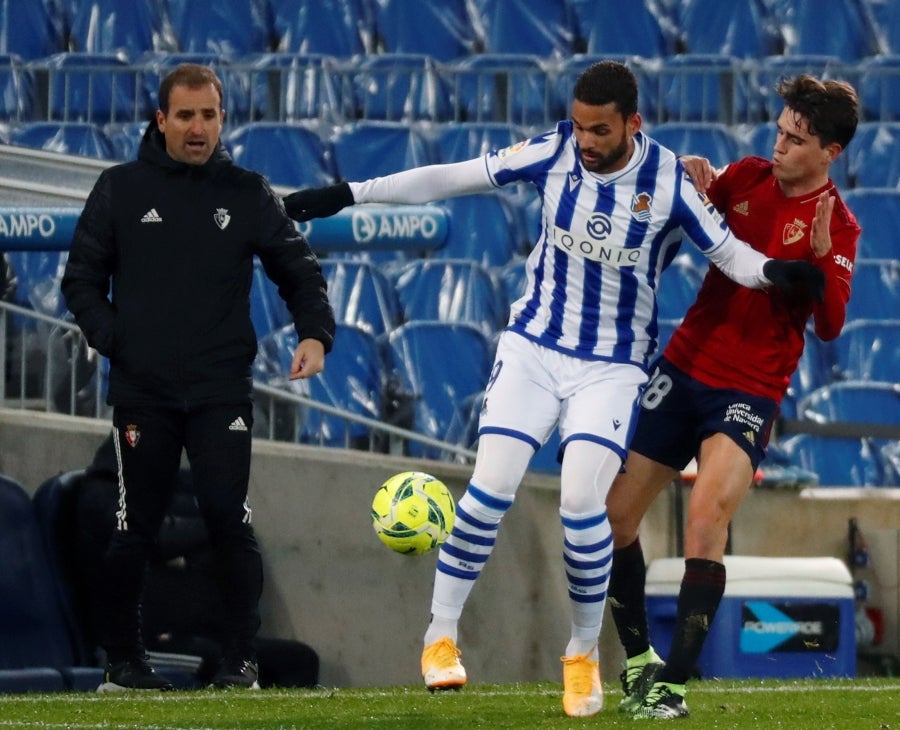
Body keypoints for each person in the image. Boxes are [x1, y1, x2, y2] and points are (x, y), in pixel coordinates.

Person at [282, 60, 823, 718]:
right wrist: (350, 193)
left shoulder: (667, 181)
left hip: (612, 365)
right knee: (490, 490)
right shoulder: (555, 150)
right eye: (580, 127)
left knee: (580, 503)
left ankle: (581, 653)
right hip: (535, 347)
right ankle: (440, 637)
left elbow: (731, 253)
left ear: (633, 123)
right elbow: (455, 177)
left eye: (600, 130)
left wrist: (782, 274)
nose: (586, 142)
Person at [61, 63, 335, 692]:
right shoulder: (119, 189)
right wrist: (116, 339)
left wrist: (315, 335)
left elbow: (299, 270)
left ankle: (241, 662)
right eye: (185, 115)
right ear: (161, 121)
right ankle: (124, 664)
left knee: (227, 520)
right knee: (135, 529)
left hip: (220, 392)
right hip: (143, 394)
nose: (197, 127)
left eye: (208, 115)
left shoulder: (247, 192)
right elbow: (80, 279)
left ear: (221, 120)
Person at [604, 74, 860, 719]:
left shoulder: (840, 226)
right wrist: (691, 176)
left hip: (750, 388)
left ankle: (675, 685)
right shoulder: (745, 177)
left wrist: (825, 264)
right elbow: (687, 206)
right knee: (612, 518)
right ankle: (639, 664)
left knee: (704, 519)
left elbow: (829, 326)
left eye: (796, 139)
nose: (779, 145)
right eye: (778, 130)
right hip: (686, 365)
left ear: (830, 151)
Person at [74, 436, 321, 689]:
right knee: (225, 666)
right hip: (145, 643)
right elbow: (159, 539)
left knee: (298, 659)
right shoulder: (100, 496)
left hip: (200, 632)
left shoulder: (166, 488)